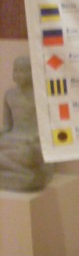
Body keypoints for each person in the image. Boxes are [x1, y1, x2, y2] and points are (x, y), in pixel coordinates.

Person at [0, 55, 54, 192]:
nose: (18, 74)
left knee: (27, 153)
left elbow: (47, 127)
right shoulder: (9, 95)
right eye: (15, 70)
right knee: (19, 152)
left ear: (32, 72)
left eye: (22, 70)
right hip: (12, 139)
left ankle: (20, 169)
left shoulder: (41, 96)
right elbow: (7, 126)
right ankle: (22, 172)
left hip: (31, 141)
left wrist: (36, 137)